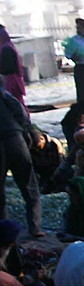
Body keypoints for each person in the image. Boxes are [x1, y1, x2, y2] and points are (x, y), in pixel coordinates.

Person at [0, 89, 42, 236]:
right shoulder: (4, 94)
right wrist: (26, 130)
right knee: (29, 185)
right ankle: (35, 227)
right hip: (15, 139)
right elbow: (20, 111)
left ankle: (4, 230)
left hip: (10, 139)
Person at [29, 129, 65, 193]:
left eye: (38, 147)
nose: (37, 150)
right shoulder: (31, 146)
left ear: (42, 139)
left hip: (55, 170)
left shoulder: (54, 143)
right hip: (40, 171)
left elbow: (60, 162)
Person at [0, 26, 26, 106]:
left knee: (14, 105)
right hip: (10, 82)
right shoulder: (5, 46)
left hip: (11, 83)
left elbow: (8, 68)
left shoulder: (6, 48)